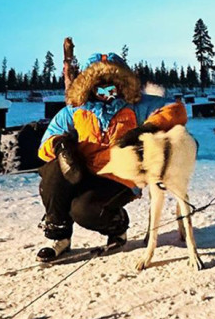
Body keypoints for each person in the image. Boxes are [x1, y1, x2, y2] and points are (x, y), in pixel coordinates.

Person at [35, 52, 187, 262]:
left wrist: (149, 127)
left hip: (120, 174)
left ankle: (117, 224)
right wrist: (60, 145)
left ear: (123, 83)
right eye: (100, 86)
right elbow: (46, 143)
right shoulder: (74, 111)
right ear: (88, 85)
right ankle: (58, 235)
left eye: (113, 85)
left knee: (83, 211)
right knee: (53, 172)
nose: (107, 92)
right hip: (83, 170)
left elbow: (176, 110)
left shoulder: (138, 105)